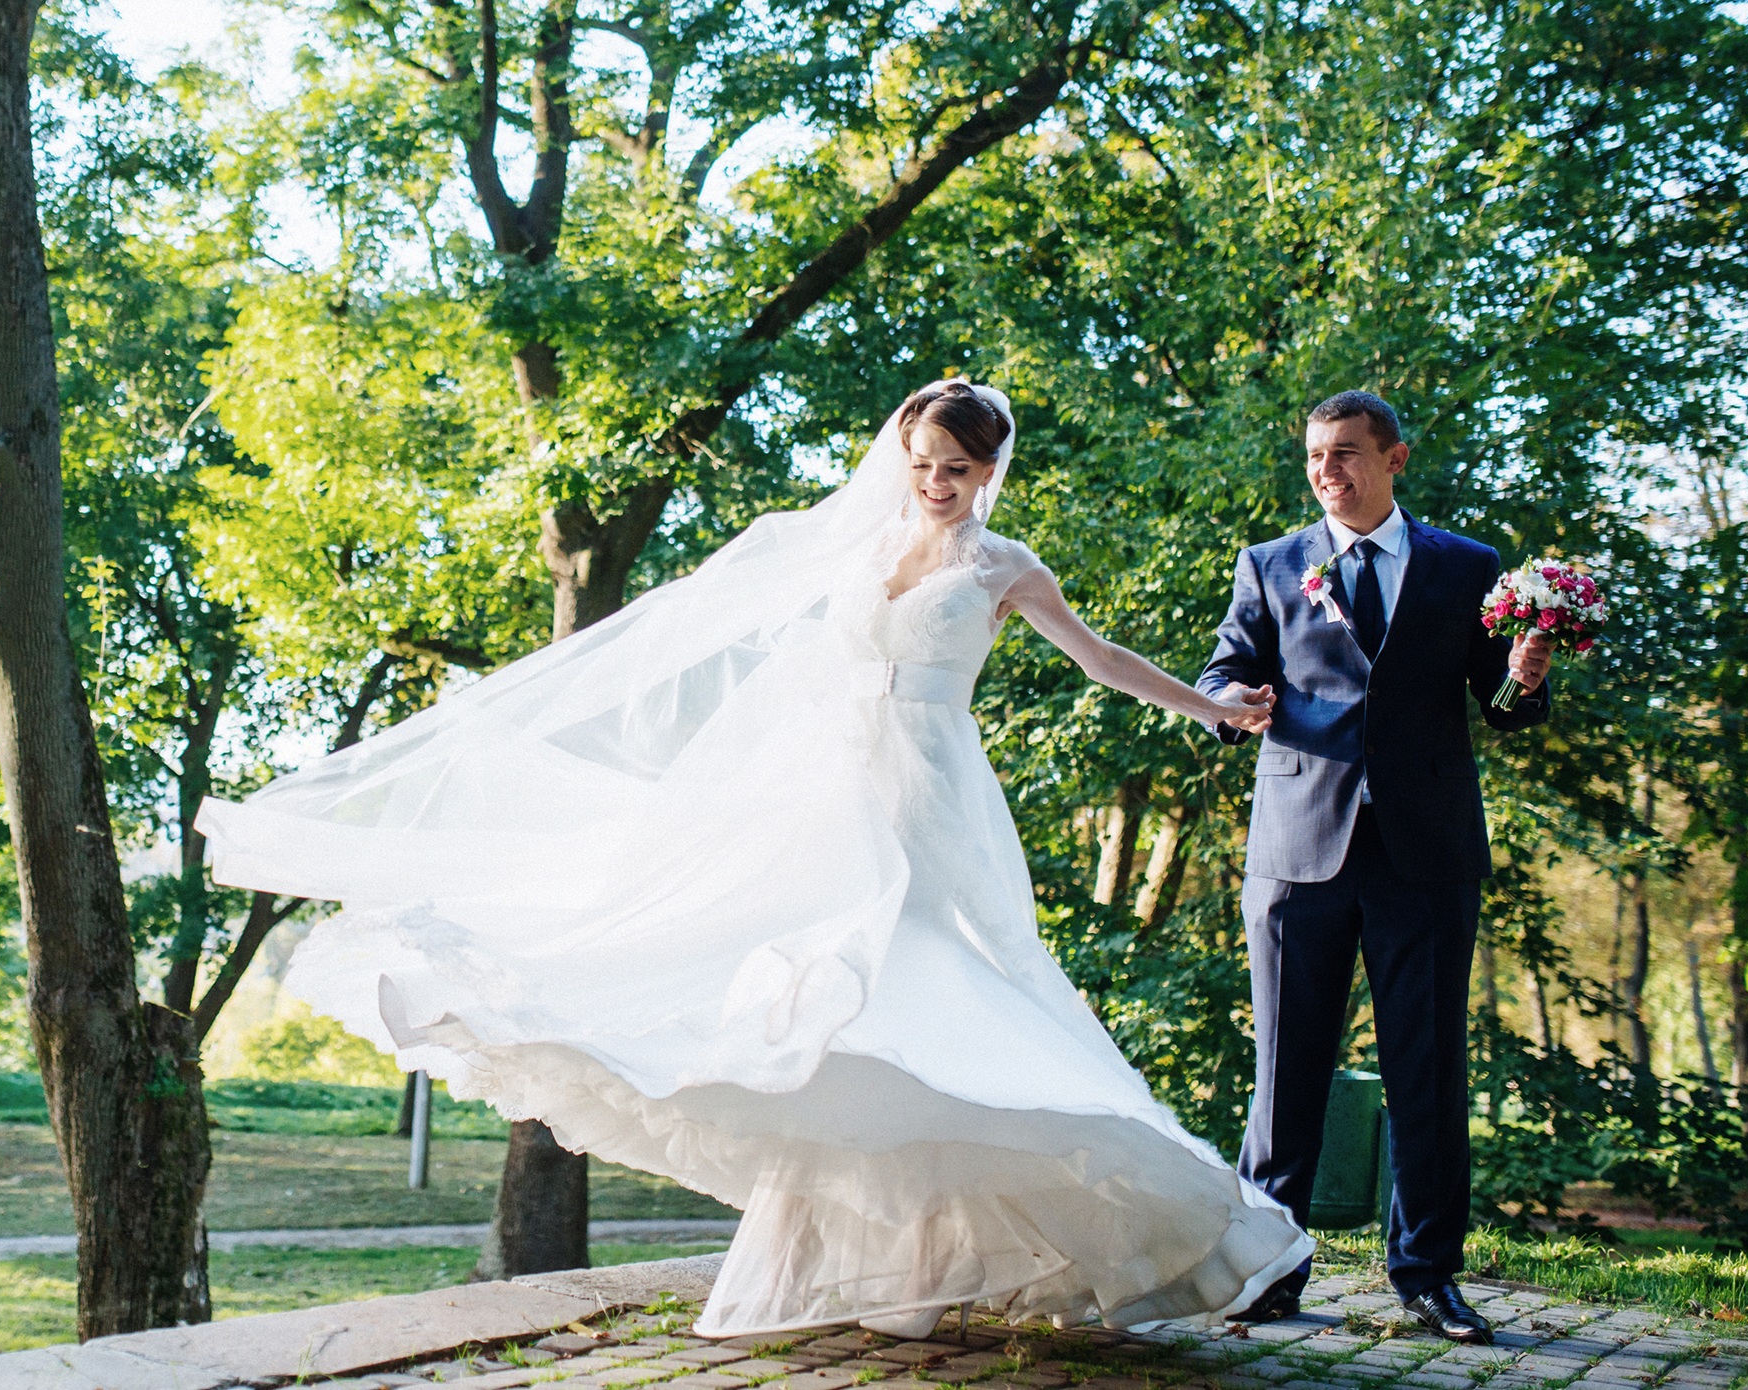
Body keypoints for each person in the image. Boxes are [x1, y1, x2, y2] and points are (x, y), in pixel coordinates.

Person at [199, 380, 1310, 1337]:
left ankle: (966, 1252)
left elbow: (1101, 657)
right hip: (827, 794)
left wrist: (1207, 703)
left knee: (929, 999)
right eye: (923, 462)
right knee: (808, 1008)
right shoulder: (854, 547)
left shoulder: (1004, 568)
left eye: (957, 469)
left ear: (988, 470)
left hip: (931, 798)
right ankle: (859, 1259)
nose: (935, 482)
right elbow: (753, 649)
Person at [1197, 390, 1556, 1345]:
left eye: (1348, 453)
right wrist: (1233, 697)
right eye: (1317, 455)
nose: (1328, 470)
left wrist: (1525, 677)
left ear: (1394, 459)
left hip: (1426, 855)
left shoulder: (1468, 567)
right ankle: (1270, 1270)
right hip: (1295, 852)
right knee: (1286, 1072)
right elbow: (1219, 673)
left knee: (1426, 1069)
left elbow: (1504, 706)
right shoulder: (1270, 565)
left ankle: (1428, 1277)